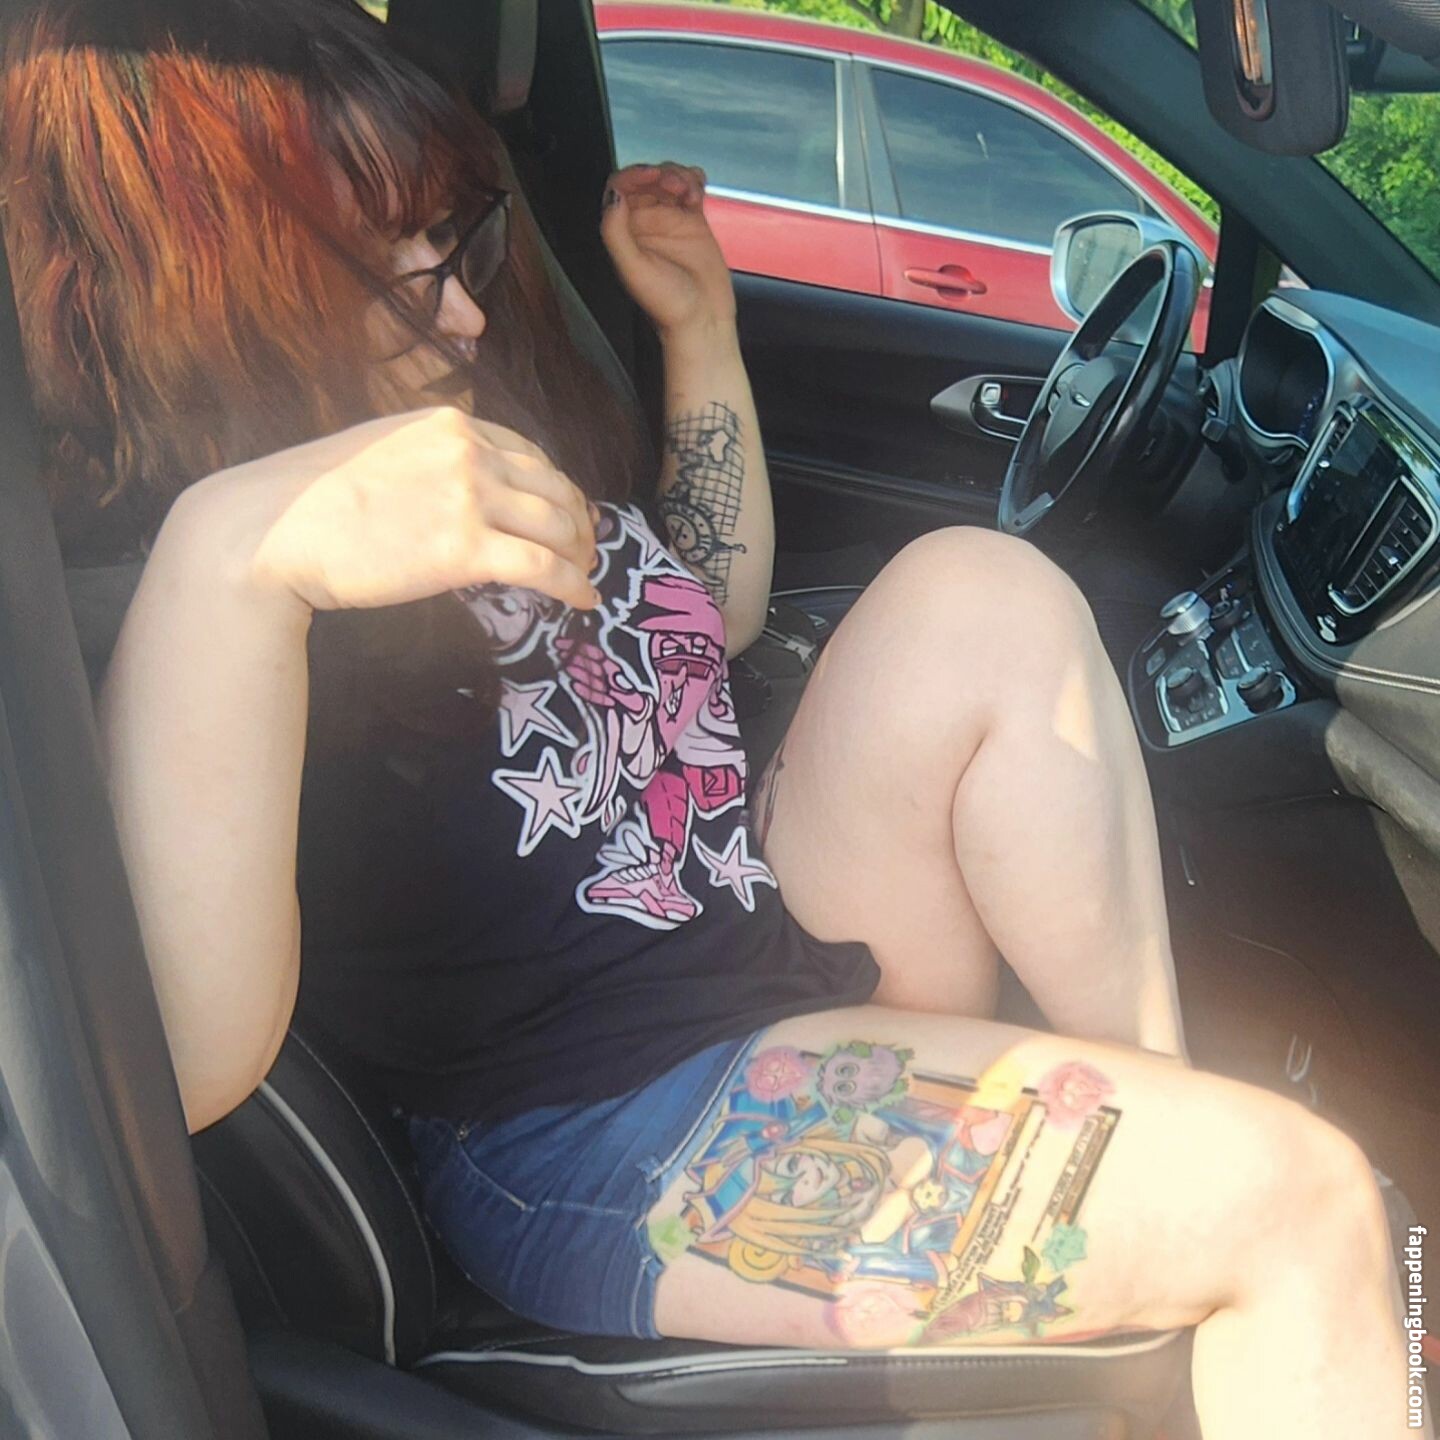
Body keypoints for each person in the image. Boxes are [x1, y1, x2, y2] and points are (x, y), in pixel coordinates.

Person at [0, 3, 1423, 1437]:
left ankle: (1157, 1110)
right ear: (207, 288)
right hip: (606, 1128)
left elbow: (694, 621)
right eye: (393, 270)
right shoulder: (206, 581)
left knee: (979, 587)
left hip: (756, 936)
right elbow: (185, 1068)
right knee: (1301, 1209)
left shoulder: (426, 426)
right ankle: (1208, 1223)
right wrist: (236, 562)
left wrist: (700, 326)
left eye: (453, 242)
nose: (465, 313)